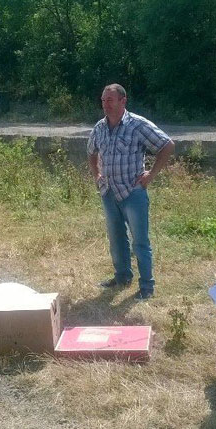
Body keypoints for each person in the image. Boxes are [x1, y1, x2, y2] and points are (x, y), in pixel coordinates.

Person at [87, 84, 175, 300]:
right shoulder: (100, 127)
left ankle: (146, 286)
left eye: (110, 100)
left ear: (123, 101)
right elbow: (91, 151)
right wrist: (97, 175)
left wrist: (151, 175)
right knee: (116, 238)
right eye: (103, 100)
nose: (105, 104)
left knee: (140, 242)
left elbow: (167, 145)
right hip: (109, 192)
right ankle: (122, 277)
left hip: (133, 193)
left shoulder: (137, 125)